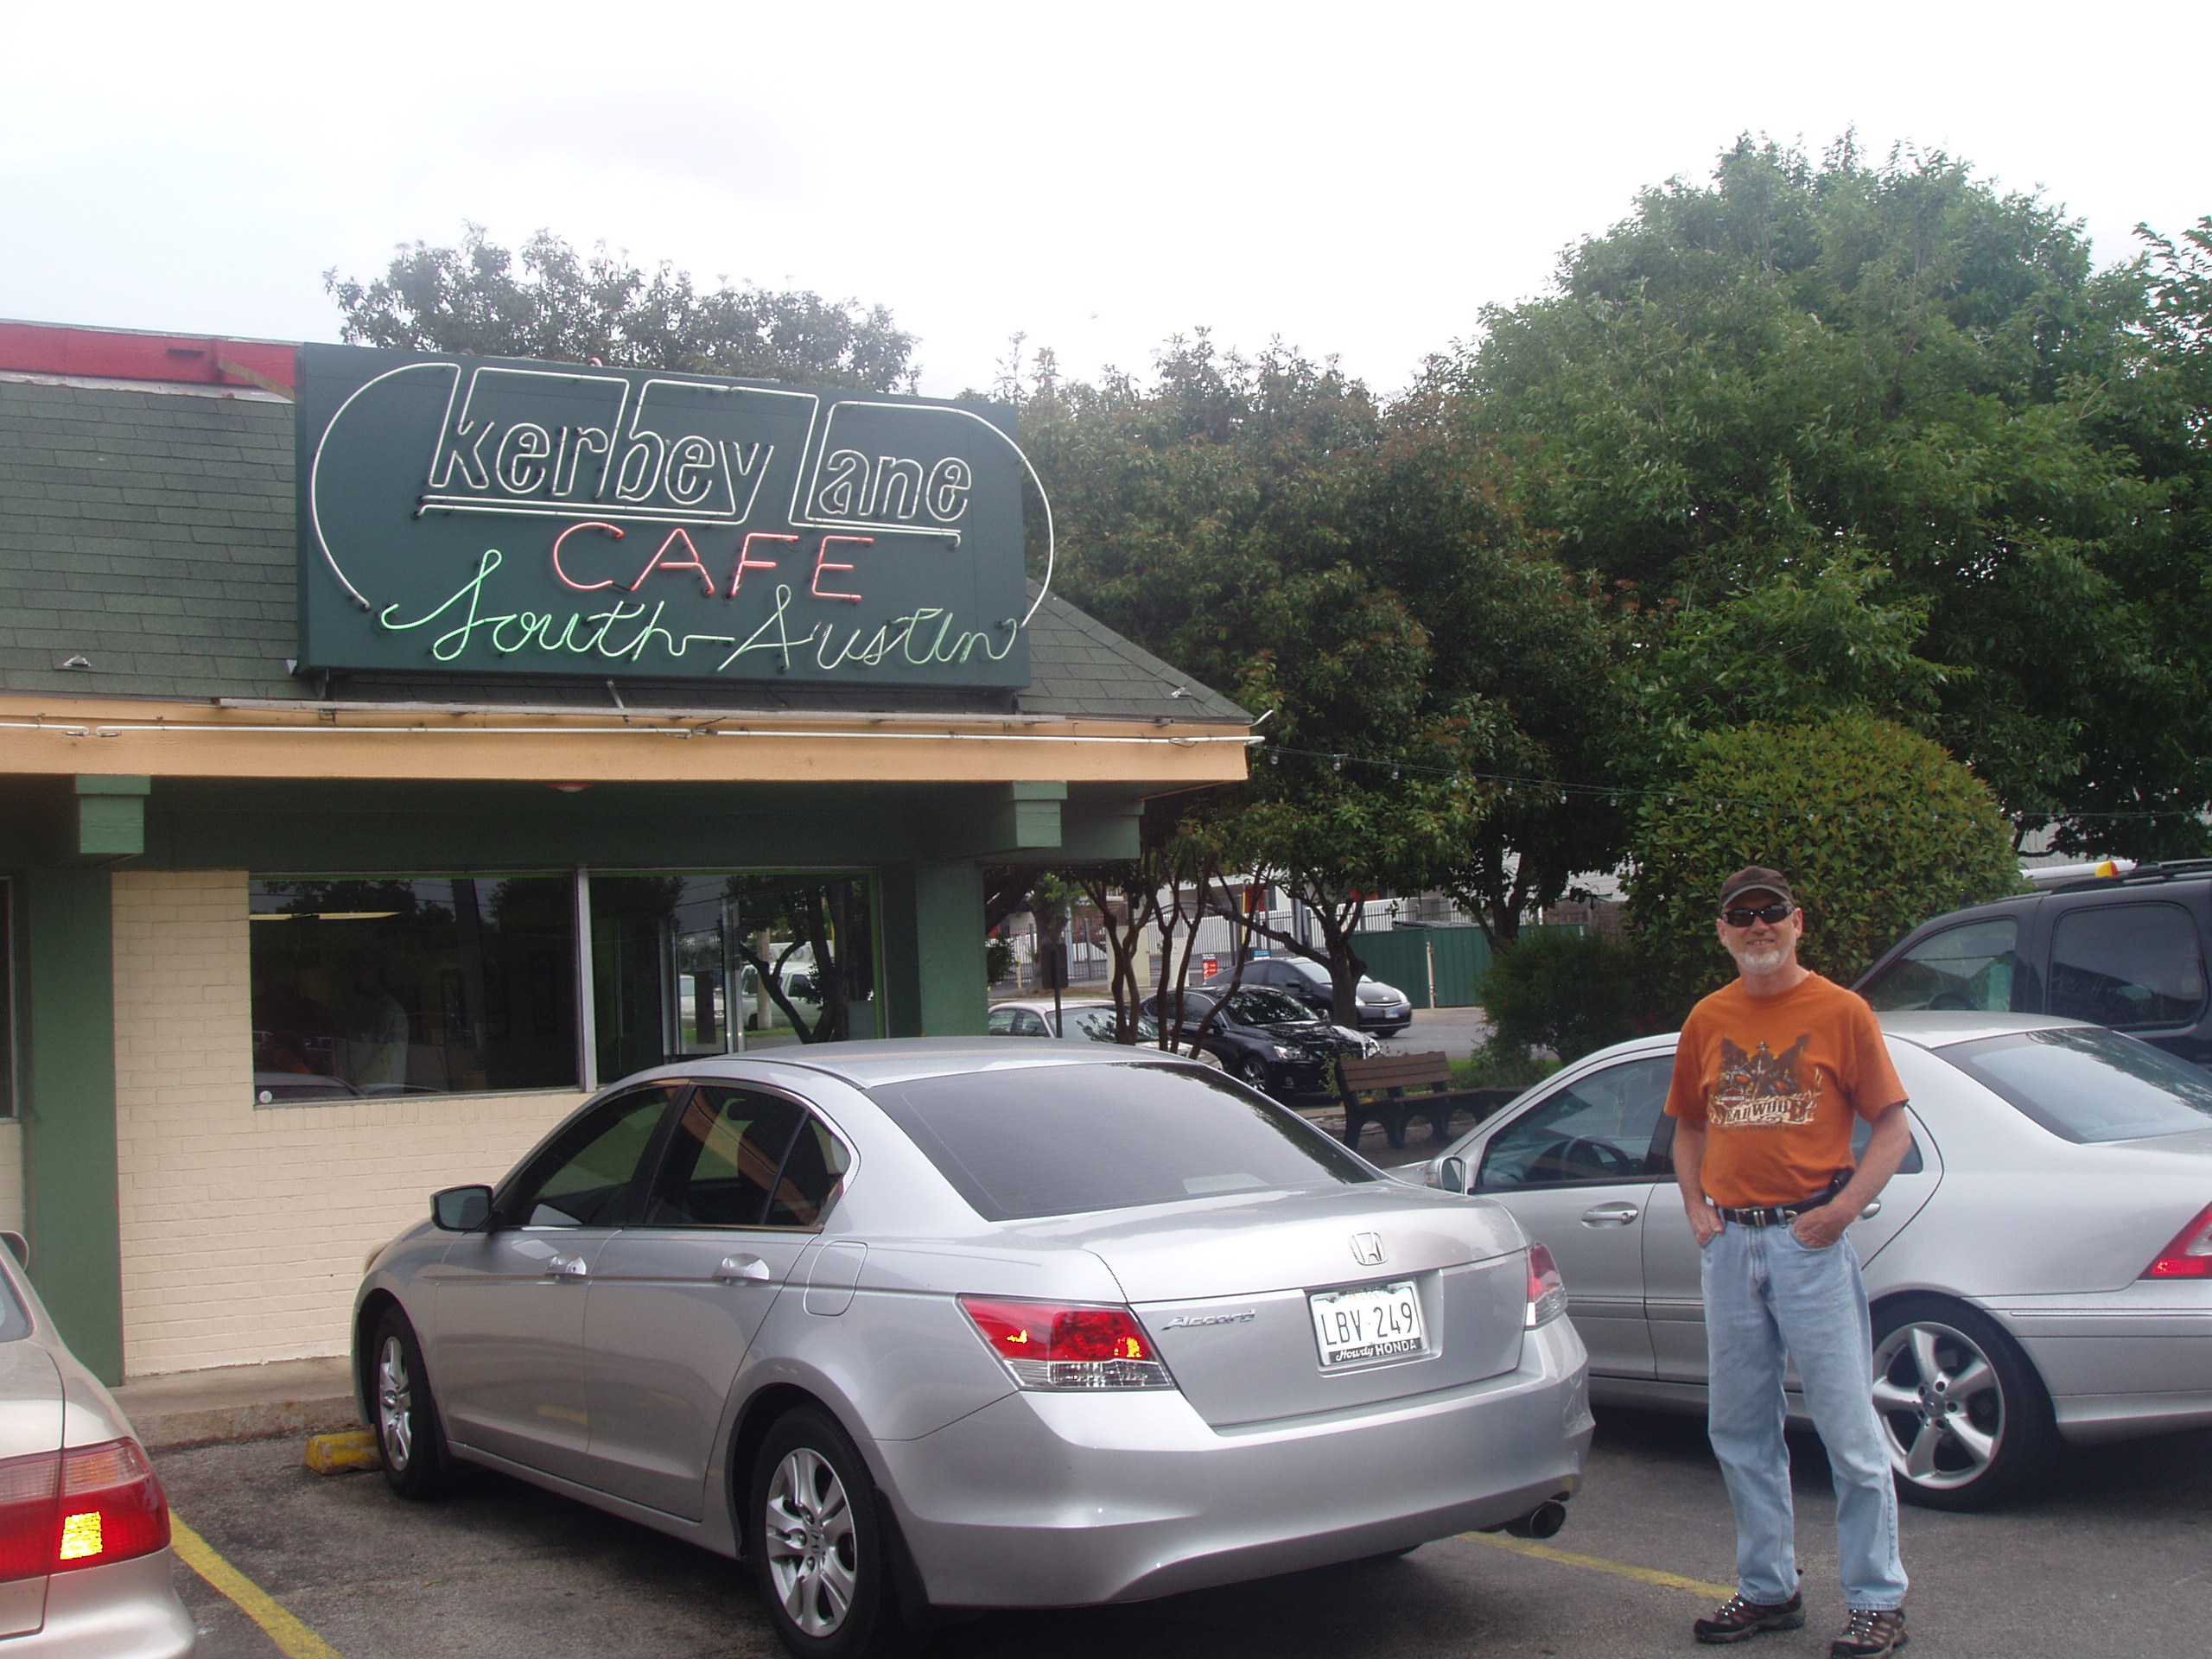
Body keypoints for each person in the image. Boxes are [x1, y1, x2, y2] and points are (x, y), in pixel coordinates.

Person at [1666, 868, 1915, 1657]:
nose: (1758, 926)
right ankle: (1769, 1590)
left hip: (1808, 1246)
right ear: (1723, 932)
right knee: (1740, 1429)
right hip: (1729, 1248)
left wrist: (1840, 1213)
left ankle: (1878, 1600)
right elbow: (1690, 1127)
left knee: (1849, 1432)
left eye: (1771, 912)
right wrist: (1699, 1212)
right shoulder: (1708, 1018)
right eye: (1741, 916)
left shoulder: (1842, 1012)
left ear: (1798, 922)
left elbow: (1893, 1129)